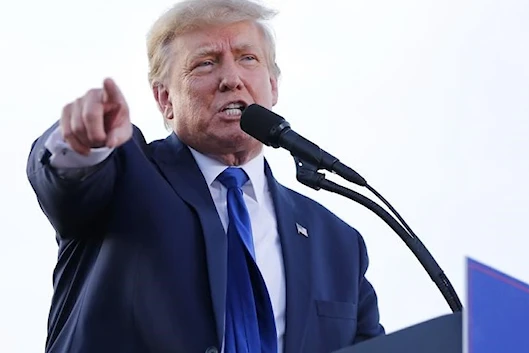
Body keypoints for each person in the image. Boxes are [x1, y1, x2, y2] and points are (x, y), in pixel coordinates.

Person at [26, 0, 385, 352]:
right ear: (165, 98)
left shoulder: (338, 242)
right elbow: (68, 184)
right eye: (205, 63)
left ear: (273, 86)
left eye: (248, 58)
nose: (231, 79)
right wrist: (82, 143)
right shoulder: (125, 172)